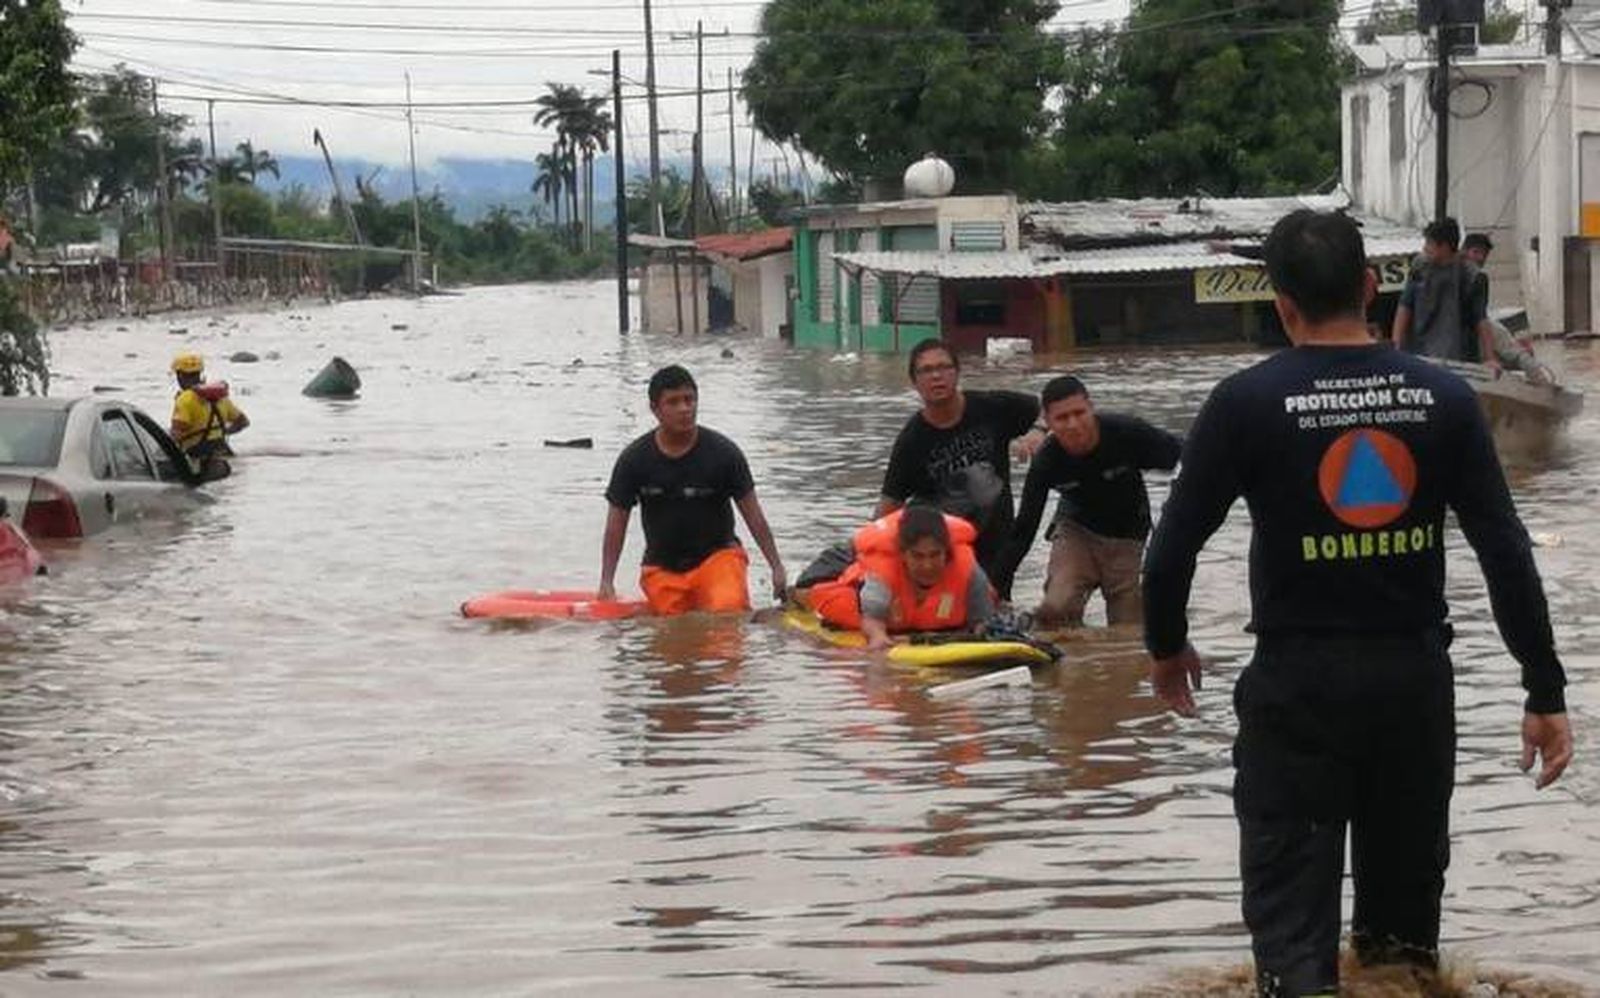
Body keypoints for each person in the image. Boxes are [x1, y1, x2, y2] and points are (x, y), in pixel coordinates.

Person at [1142, 209, 1572, 997]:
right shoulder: (1443, 398)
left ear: (1281, 305)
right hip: (1412, 687)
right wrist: (1544, 689)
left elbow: (1168, 553)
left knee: (1294, 951)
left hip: (1296, 691)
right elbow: (1505, 551)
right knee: (1401, 952)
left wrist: (1167, 647)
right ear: (1372, 288)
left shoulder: (1243, 403)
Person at [991, 375, 1181, 628]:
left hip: (1128, 535)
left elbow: (1186, 456)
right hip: (1075, 532)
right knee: (1056, 609)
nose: (1073, 425)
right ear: (1048, 423)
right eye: (1062, 418)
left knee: (1129, 632)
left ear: (1091, 408)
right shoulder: (1047, 461)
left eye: (1079, 413)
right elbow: (1024, 528)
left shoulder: (1127, 433)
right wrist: (997, 588)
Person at [599, 364, 787, 615]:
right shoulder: (634, 460)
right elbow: (616, 524)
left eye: (689, 400)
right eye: (673, 402)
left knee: (727, 614)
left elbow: (753, 515)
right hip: (662, 567)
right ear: (655, 409)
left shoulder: (724, 454)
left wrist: (776, 567)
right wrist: (606, 582)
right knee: (672, 635)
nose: (684, 409)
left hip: (719, 559)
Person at [878, 338, 1042, 593]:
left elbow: (1049, 406)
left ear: (957, 373)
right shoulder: (912, 441)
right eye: (926, 370)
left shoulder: (992, 407)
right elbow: (889, 506)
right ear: (914, 382)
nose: (936, 376)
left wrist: (1038, 431)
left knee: (994, 613)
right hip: (941, 553)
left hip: (996, 544)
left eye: (944, 367)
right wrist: (874, 559)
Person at [800, 504, 996, 650]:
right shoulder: (884, 570)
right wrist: (877, 637)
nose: (927, 566)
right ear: (903, 555)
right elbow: (872, 619)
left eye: (935, 555)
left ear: (947, 552)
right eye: (918, 556)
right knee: (803, 591)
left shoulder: (968, 570)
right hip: (853, 552)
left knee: (990, 593)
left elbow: (983, 621)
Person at [1390, 217, 1498, 367]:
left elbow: (1480, 318)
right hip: (1420, 352)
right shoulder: (1420, 267)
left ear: (1445, 247)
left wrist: (1489, 357)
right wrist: (1396, 345)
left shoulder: (1472, 276)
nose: (1425, 248)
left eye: (1430, 244)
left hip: (1459, 356)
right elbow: (1405, 306)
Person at [1461, 232, 1555, 384]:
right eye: (1476, 252)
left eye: (1483, 254)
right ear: (1464, 250)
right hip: (1471, 338)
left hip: (1480, 334)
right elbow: (1481, 319)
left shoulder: (1475, 277)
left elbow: (1482, 319)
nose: (1480, 258)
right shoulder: (1474, 278)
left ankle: (1540, 381)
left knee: (1507, 343)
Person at [169, 353, 249, 478]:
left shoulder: (184, 399)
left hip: (200, 460)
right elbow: (243, 422)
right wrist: (224, 432)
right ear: (199, 373)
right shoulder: (219, 397)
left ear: (179, 375)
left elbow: (176, 434)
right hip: (224, 455)